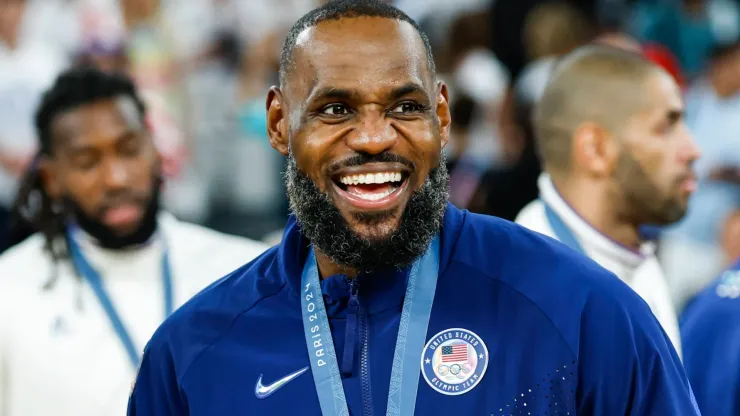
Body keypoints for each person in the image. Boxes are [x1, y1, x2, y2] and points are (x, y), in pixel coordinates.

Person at [128, 1, 700, 414]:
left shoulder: (582, 312)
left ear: (442, 117)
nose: (374, 137)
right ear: (280, 123)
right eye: (334, 110)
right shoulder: (193, 354)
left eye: (405, 105)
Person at [0, 67, 269, 416]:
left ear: (155, 150)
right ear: (52, 179)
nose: (116, 178)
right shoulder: (9, 290)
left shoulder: (243, 271)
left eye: (129, 150)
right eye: (87, 162)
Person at [514, 45, 701, 358]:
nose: (693, 149)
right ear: (596, 150)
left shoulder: (630, 250)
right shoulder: (533, 292)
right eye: (666, 127)